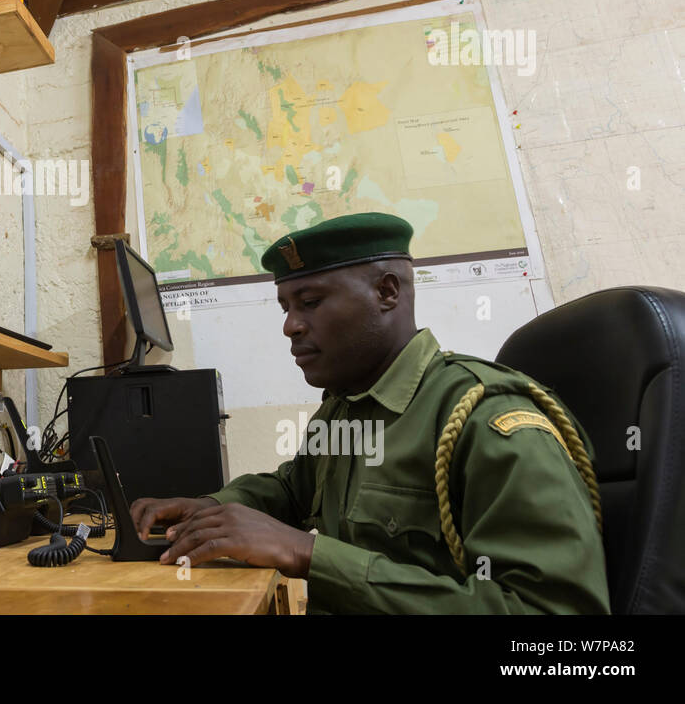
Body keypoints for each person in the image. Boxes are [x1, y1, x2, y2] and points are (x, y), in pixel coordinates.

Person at [130, 212, 610, 614]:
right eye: (285, 307)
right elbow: (292, 490)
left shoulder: (488, 422)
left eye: (311, 302)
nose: (291, 326)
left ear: (387, 292)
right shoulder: (347, 406)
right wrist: (211, 510)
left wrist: (306, 553)